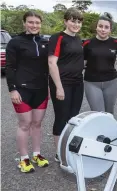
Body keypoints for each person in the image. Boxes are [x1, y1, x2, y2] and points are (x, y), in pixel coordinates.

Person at [6, 11, 49, 172]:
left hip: (41, 90)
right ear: (24, 23)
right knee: (25, 124)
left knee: (37, 123)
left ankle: (37, 154)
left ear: (40, 24)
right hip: (22, 90)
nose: (34, 25)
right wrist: (12, 90)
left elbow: (50, 66)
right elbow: (10, 67)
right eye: (30, 22)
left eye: (37, 23)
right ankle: (24, 158)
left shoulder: (44, 41)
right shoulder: (15, 42)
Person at [48, 8, 84, 162]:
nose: (75, 24)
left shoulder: (78, 39)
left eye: (78, 21)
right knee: (61, 117)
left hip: (77, 83)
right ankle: (59, 153)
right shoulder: (57, 38)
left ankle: (68, 148)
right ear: (65, 21)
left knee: (73, 118)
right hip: (62, 84)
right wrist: (59, 87)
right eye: (72, 20)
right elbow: (51, 63)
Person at [83, 12, 117, 115]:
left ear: (110, 29)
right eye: (100, 26)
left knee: (109, 113)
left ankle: (109, 131)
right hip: (92, 83)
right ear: (96, 27)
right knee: (98, 114)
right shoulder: (87, 43)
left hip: (111, 82)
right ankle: (99, 131)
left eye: (106, 27)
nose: (103, 29)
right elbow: (81, 61)